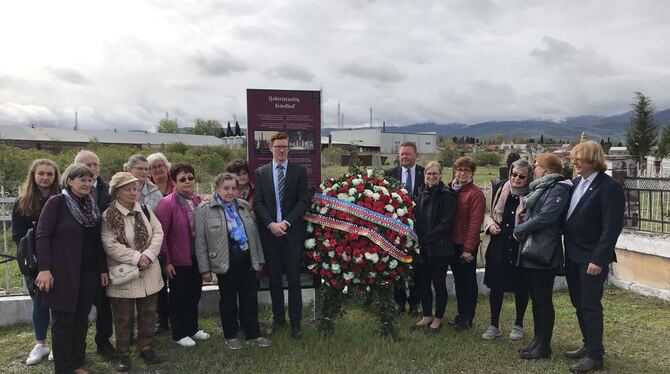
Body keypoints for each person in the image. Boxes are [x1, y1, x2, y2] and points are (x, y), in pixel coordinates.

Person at [35, 163, 108, 374]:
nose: (87, 183)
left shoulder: (91, 205)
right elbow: (42, 236)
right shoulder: (57, 203)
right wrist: (44, 268)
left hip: (88, 272)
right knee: (63, 321)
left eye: (89, 180)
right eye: (82, 179)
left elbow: (97, 241)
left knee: (81, 318)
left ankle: (76, 362)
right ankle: (63, 367)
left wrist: (102, 268)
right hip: (63, 271)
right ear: (69, 181)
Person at [563, 141, 624, 374]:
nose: (574, 162)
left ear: (593, 159)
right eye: (573, 158)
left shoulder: (609, 187)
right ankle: (589, 345)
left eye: (579, 158)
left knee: (590, 306)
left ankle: (595, 357)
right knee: (578, 303)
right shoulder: (577, 183)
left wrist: (599, 259)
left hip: (591, 258)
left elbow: (611, 228)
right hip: (573, 255)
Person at [195, 173, 270, 350]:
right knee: (228, 300)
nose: (230, 192)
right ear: (217, 189)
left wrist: (258, 260)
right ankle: (230, 335)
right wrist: (205, 269)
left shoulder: (244, 206)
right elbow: (200, 241)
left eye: (233, 188)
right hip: (224, 263)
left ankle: (253, 333)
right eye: (226, 188)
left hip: (246, 261)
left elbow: (254, 236)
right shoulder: (204, 209)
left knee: (249, 299)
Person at [101, 172, 165, 371]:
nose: (133, 192)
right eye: (128, 189)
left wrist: (149, 255)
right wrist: (137, 257)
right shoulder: (108, 215)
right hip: (125, 274)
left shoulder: (144, 210)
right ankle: (124, 354)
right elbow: (109, 244)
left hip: (149, 271)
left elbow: (158, 231)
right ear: (117, 192)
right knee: (123, 317)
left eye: (135, 188)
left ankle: (146, 347)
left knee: (148, 312)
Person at [513, 153, 572, 360]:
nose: (534, 169)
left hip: (543, 251)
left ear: (546, 169)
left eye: (536, 166)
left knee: (543, 300)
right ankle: (537, 341)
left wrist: (520, 228)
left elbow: (547, 217)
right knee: (536, 299)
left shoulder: (559, 188)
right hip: (532, 249)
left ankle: (543, 346)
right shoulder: (542, 188)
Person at [254, 131, 309, 339]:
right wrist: (270, 224)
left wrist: (285, 223)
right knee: (275, 280)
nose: (282, 150)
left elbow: (303, 201)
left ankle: (296, 323)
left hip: (292, 234)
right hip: (271, 236)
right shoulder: (261, 173)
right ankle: (278, 321)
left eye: (285, 146)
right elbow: (258, 202)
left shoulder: (298, 171)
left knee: (294, 280)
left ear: (289, 148)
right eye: (278, 147)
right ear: (271, 148)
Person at [154, 162, 210, 347]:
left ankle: (192, 328)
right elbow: (161, 235)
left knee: (194, 294)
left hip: (197, 257)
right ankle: (179, 333)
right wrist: (166, 261)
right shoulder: (166, 203)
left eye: (190, 178)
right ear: (174, 181)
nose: (187, 182)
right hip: (178, 259)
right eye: (182, 179)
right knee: (179, 296)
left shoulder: (197, 201)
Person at [12, 159, 60, 365]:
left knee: (60, 303)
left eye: (50, 174)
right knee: (39, 302)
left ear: (55, 176)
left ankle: (59, 344)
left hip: (59, 260)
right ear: (33, 175)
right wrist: (37, 260)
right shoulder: (22, 202)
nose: (45, 177)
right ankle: (41, 343)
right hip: (34, 263)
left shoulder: (61, 199)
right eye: (41, 173)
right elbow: (18, 235)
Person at [481, 159, 532, 341]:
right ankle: (494, 325)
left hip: (519, 245)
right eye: (513, 174)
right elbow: (486, 212)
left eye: (521, 176)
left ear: (529, 177)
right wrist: (490, 224)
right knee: (496, 285)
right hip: (498, 243)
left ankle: (518, 324)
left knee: (521, 286)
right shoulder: (498, 189)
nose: (516, 179)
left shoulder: (532, 194)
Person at [74, 150, 115, 360]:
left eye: (95, 165)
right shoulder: (65, 192)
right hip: (75, 258)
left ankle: (104, 341)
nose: (92, 169)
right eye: (86, 165)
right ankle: (76, 347)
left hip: (103, 255)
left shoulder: (109, 191)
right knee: (77, 307)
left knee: (104, 304)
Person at [411, 161, 457, 332]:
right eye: (428, 174)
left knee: (438, 284)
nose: (431, 177)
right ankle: (427, 315)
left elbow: (445, 224)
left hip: (440, 248)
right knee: (423, 283)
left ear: (441, 175)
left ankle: (438, 318)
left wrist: (424, 239)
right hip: (423, 248)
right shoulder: (422, 193)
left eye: (435, 174)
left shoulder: (448, 195)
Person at [384, 141, 425, 316]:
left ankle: (415, 303)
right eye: (401, 154)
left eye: (408, 154)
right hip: (396, 229)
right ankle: (399, 302)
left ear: (416, 155)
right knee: (397, 266)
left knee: (416, 267)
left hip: (418, 229)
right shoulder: (390, 174)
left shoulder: (425, 173)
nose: (404, 157)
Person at [447, 157, 485, 330]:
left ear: (472, 173)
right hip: (451, 243)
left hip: (466, 245)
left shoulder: (475, 193)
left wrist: (468, 249)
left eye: (466, 170)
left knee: (467, 282)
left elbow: (475, 223)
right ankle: (461, 314)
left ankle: (467, 317)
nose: (462, 173)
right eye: (460, 169)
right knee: (458, 280)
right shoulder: (449, 189)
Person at [147, 152, 173, 334]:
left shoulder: (176, 182)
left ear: (166, 167)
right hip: (153, 241)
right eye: (153, 167)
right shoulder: (145, 187)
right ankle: (161, 320)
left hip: (174, 239)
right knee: (159, 283)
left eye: (160, 165)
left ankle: (177, 316)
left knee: (177, 281)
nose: (157, 169)